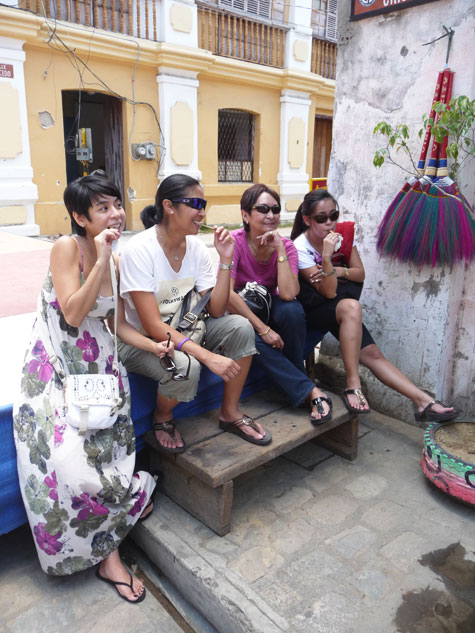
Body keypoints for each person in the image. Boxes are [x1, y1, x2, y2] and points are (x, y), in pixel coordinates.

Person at [13, 171, 166, 604]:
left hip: (99, 366)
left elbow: (113, 322)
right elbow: (74, 314)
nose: (116, 213)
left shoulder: (115, 257)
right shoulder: (67, 248)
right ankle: (106, 546)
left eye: (117, 204)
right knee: (69, 465)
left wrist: (156, 345)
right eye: (103, 207)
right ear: (81, 217)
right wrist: (98, 259)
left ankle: (109, 555)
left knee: (105, 459)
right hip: (56, 369)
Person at [118, 174, 271, 453]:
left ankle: (230, 412)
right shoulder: (139, 250)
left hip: (189, 330)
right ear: (169, 206)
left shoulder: (198, 248)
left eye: (204, 204)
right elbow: (152, 325)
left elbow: (216, 308)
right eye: (196, 203)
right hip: (142, 342)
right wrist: (208, 357)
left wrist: (226, 260)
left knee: (239, 326)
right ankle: (162, 417)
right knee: (189, 366)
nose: (202, 212)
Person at [291, 189, 457, 423]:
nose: (329, 223)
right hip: (313, 310)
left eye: (333, 215)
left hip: (340, 307)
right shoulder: (300, 247)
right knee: (352, 307)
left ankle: (423, 402)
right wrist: (327, 257)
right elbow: (327, 291)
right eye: (321, 218)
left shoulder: (344, 235)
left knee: (372, 353)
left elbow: (360, 274)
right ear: (307, 219)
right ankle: (352, 383)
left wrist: (340, 270)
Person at [226, 183, 332, 423]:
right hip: (240, 311)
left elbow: (288, 293)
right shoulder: (235, 242)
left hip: (270, 303)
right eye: (263, 209)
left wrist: (279, 249)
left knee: (293, 312)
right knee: (248, 335)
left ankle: (296, 386)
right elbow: (228, 295)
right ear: (245, 214)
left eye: (275, 209)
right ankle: (308, 390)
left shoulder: (286, 246)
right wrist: (263, 330)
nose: (271, 215)